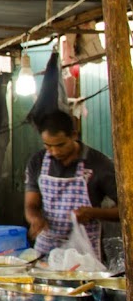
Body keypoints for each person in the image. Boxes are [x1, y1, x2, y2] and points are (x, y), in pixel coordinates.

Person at [25, 110, 118, 257]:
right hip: (47, 249)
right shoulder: (37, 162)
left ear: (74, 135)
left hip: (85, 251)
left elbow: (126, 211)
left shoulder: (99, 164)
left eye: (60, 145)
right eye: (48, 146)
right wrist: (35, 219)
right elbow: (31, 204)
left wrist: (93, 213)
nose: (54, 152)